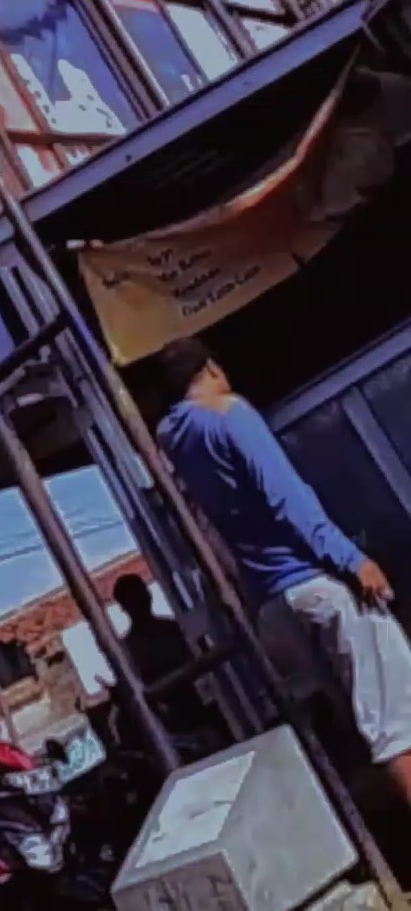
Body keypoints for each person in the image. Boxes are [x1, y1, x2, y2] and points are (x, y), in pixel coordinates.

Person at [155, 336, 411, 807]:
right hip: (317, 585)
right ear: (211, 369)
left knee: (346, 733)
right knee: (397, 727)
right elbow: (287, 499)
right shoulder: (229, 413)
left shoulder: (175, 439)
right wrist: (352, 558)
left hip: (272, 607)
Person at [112, 573, 218, 752]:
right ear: (125, 607)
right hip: (168, 729)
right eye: (133, 599)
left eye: (142, 594)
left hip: (198, 711)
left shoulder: (172, 629)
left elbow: (197, 666)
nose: (141, 601)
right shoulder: (129, 649)